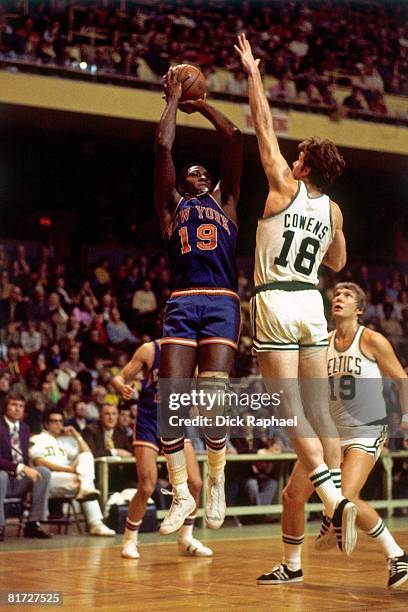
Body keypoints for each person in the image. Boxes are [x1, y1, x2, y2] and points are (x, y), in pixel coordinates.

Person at [234, 33, 356, 581]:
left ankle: (332, 501)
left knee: (290, 412)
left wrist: (254, 75)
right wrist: (333, 226)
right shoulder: (331, 210)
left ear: (303, 165)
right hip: (312, 304)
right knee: (321, 410)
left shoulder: (284, 184)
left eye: (299, 152)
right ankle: (333, 490)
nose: (292, 154)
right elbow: (338, 263)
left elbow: (261, 125)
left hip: (277, 299)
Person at [154, 66, 242, 535]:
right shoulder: (171, 207)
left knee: (212, 401)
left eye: (204, 170)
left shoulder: (227, 200)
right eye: (193, 170)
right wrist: (171, 99)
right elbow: (163, 147)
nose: (199, 171)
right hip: (183, 299)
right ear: (183, 182)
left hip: (222, 300)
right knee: (170, 402)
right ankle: (181, 492)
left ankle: (216, 478)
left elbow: (233, 138)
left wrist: (201, 102)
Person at [314, 283, 408, 589]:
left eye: (347, 295)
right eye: (336, 294)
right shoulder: (324, 343)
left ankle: (396, 555)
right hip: (333, 435)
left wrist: (405, 418)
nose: (338, 298)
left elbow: (401, 379)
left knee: (348, 498)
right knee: (312, 492)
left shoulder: (371, 339)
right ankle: (331, 518)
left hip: (366, 430)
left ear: (359, 309)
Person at [112, 340, 212, 559]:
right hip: (149, 420)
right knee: (147, 485)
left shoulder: (193, 354)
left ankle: (186, 538)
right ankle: (130, 540)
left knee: (195, 482)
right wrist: (121, 386)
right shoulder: (150, 350)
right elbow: (119, 377)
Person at [29, 407, 115, 537]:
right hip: (48, 479)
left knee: (86, 457)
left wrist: (77, 435)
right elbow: (39, 462)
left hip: (68, 478)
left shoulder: (63, 442)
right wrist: (68, 469)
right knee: (86, 484)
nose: (59, 424)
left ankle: (86, 491)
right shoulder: (38, 439)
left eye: (61, 421)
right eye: (54, 421)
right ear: (46, 424)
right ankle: (95, 524)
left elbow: (88, 453)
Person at [0, 392, 51, 540]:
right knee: (0, 475)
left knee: (43, 472)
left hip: (18, 480)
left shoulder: (24, 428)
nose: (17, 409)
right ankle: (0, 525)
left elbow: (24, 457)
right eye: (13, 405)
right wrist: (22, 468)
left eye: (21, 406)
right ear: (5, 407)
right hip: (3, 479)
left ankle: (33, 524)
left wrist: (28, 471)